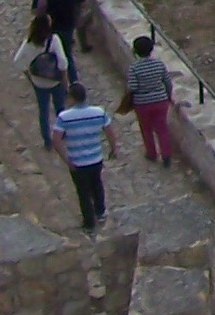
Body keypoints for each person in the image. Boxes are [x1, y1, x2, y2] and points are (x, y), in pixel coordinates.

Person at [52, 83, 117, 234]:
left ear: (71, 97)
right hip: (95, 158)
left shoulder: (64, 117)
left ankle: (89, 223)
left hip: (77, 161)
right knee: (97, 185)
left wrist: (66, 159)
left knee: (83, 192)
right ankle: (100, 211)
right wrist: (114, 148)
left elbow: (56, 140)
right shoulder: (98, 112)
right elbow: (110, 132)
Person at [13, 14, 68, 149]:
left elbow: (17, 61)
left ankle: (47, 141)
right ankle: (62, 134)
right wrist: (64, 78)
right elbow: (62, 62)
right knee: (60, 108)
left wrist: (29, 74)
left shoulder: (29, 42)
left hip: (39, 82)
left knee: (43, 111)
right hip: (55, 81)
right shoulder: (53, 40)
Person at [127, 36, 173, 167]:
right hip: (160, 100)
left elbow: (133, 87)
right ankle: (166, 155)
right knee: (162, 128)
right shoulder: (159, 64)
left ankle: (151, 153)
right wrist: (168, 96)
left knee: (146, 128)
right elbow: (168, 82)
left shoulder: (134, 67)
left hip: (142, 103)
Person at [47, 0, 80, 82]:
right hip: (67, 27)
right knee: (68, 55)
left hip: (54, 29)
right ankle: (73, 80)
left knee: (54, 54)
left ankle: (55, 78)